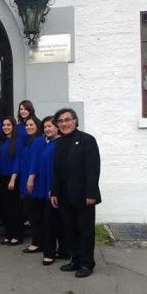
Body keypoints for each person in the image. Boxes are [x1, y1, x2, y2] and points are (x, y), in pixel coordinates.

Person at [50, 108, 101, 278]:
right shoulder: (59, 143)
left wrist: (91, 194)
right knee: (70, 230)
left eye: (67, 120)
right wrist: (54, 192)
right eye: (60, 121)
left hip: (84, 196)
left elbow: (93, 169)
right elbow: (56, 171)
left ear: (75, 121)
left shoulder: (87, 140)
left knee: (85, 231)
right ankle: (75, 260)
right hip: (64, 196)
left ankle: (87, 264)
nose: (64, 124)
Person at [35, 116, 67, 266]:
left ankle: (50, 253)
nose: (47, 129)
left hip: (55, 190)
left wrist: (53, 190)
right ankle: (64, 251)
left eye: (50, 126)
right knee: (56, 221)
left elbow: (60, 170)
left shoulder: (60, 144)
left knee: (51, 222)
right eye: (45, 127)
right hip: (47, 188)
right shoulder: (49, 143)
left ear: (57, 128)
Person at [0, 117, 23, 246]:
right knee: (5, 208)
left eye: (8, 125)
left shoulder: (18, 141)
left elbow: (17, 160)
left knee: (14, 208)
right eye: (4, 125)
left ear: (13, 126)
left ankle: (17, 236)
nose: (5, 127)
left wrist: (13, 178)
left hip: (12, 178)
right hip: (1, 177)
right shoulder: (2, 141)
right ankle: (9, 235)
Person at [20, 117, 46, 254]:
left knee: (34, 213)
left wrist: (30, 178)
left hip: (34, 183)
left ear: (37, 126)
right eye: (26, 125)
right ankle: (38, 241)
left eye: (31, 124)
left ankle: (37, 243)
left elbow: (35, 161)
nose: (28, 127)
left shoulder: (38, 141)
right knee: (31, 213)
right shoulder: (29, 141)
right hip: (27, 181)